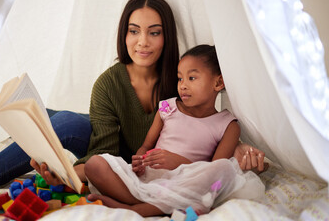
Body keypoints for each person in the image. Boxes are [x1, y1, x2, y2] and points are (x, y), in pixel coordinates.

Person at [0, 0, 265, 192]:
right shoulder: (108, 83)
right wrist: (74, 175)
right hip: (107, 145)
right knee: (56, 122)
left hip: (129, 155)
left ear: (166, 36)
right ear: (124, 35)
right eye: (134, 31)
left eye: (154, 32)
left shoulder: (183, 80)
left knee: (56, 119)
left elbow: (205, 123)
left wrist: (237, 147)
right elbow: (104, 151)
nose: (142, 42)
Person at [84, 44, 265, 217]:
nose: (183, 85)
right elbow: (146, 145)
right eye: (180, 78)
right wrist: (140, 159)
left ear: (218, 83)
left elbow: (216, 172)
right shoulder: (167, 108)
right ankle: (136, 201)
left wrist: (179, 162)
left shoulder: (228, 125)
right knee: (94, 164)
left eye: (191, 78)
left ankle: (138, 209)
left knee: (221, 171)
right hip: (149, 177)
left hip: (185, 185)